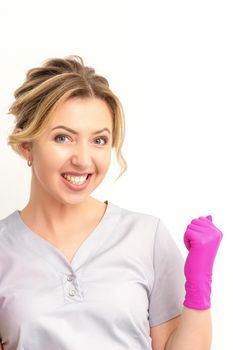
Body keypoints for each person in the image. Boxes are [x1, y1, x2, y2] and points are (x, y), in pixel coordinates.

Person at [0, 55, 222, 350]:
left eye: (99, 140)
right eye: (63, 138)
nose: (83, 159)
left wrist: (199, 289)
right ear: (27, 145)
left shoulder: (145, 236)